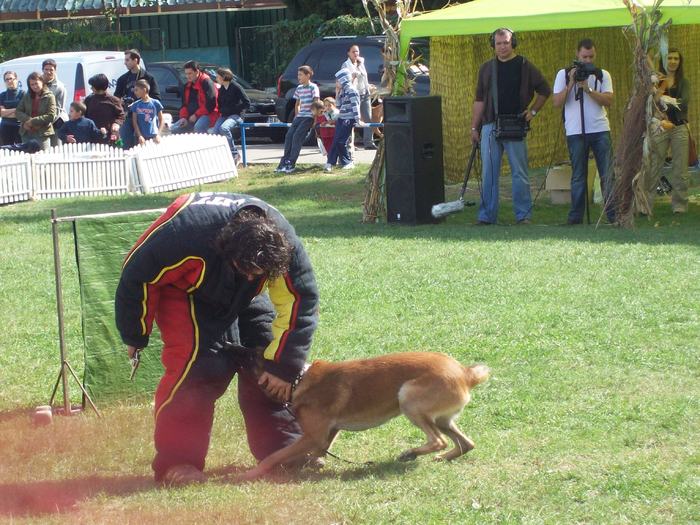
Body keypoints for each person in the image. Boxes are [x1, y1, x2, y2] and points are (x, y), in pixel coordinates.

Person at [114, 192, 319, 485]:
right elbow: (136, 275)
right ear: (228, 251)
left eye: (258, 273)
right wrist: (135, 332)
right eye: (247, 270)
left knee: (266, 362)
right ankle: (178, 462)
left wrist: (284, 366)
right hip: (184, 291)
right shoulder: (184, 234)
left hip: (242, 295)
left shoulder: (283, 242)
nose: (251, 276)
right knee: (200, 368)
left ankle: (285, 451)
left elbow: (301, 298)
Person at [470, 28, 551, 225]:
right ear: (493, 45)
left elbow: (544, 90)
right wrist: (474, 127)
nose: (503, 46)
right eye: (498, 43)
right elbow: (479, 100)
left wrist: (532, 112)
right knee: (489, 173)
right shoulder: (486, 68)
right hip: (489, 125)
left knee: (520, 173)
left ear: (513, 42)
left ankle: (523, 216)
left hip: (516, 125)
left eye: (506, 42)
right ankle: (487, 216)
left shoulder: (525, 65)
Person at [552, 38, 615, 225]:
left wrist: (587, 89)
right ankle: (575, 217)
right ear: (577, 55)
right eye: (584, 56)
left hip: (600, 129)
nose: (588, 60)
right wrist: (571, 83)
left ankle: (613, 215)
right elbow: (556, 103)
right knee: (579, 174)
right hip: (575, 131)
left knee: (607, 173)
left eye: (591, 56)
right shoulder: (563, 74)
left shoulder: (602, 74)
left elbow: (609, 101)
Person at [645, 48, 691, 214]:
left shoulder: (683, 82)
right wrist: (658, 94)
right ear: (665, 61)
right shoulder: (657, 80)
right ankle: (646, 204)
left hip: (679, 127)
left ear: (680, 62)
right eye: (669, 58)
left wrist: (663, 99)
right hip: (661, 126)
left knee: (680, 169)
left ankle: (679, 205)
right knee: (653, 165)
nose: (672, 61)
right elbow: (652, 102)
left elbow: (683, 102)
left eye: (676, 59)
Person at [275, 65, 319, 174]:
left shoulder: (313, 87)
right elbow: (297, 104)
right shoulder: (299, 88)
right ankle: (283, 162)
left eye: (300, 75)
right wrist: (297, 115)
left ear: (308, 75)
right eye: (298, 75)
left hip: (309, 116)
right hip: (299, 116)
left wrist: (315, 119)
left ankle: (291, 163)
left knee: (297, 137)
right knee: (289, 136)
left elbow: (316, 104)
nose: (298, 77)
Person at [114, 49, 161, 148]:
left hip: (145, 117)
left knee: (145, 145)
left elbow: (156, 98)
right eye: (125, 60)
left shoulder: (149, 78)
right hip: (128, 116)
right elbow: (116, 99)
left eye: (127, 60)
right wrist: (121, 101)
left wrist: (140, 102)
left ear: (136, 60)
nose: (125, 63)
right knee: (125, 145)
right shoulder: (122, 79)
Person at [325, 70, 364, 172]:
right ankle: (331, 162)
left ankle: (348, 162)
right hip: (341, 118)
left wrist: (357, 119)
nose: (336, 83)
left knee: (341, 141)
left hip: (348, 119)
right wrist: (337, 93)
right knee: (336, 141)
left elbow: (355, 105)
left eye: (337, 81)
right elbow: (338, 105)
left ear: (343, 80)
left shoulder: (352, 91)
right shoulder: (343, 91)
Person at [212, 67, 250, 165]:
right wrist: (222, 110)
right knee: (215, 131)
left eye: (217, 76)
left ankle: (234, 154)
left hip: (236, 115)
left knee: (224, 128)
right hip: (225, 115)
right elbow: (220, 104)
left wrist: (235, 109)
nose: (216, 78)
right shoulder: (222, 89)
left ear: (224, 77)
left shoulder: (236, 87)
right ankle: (224, 155)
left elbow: (247, 103)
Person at [170, 61, 219, 135]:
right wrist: (184, 117)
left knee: (198, 127)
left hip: (209, 115)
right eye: (186, 74)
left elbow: (211, 105)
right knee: (174, 129)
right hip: (191, 117)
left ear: (197, 72)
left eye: (190, 73)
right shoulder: (187, 86)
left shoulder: (207, 82)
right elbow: (184, 105)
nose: (187, 76)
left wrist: (196, 115)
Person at [341, 44, 376, 150]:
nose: (356, 54)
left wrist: (368, 86)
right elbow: (345, 81)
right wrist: (353, 75)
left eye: (357, 51)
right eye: (353, 52)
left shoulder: (361, 63)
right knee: (352, 119)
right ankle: (350, 143)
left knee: (368, 118)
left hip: (365, 94)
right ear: (348, 53)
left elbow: (364, 77)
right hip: (353, 95)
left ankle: (368, 142)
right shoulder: (345, 65)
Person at [15, 72, 57, 151]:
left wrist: (32, 121)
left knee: (43, 158)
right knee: (27, 159)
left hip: (42, 133)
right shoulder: (27, 96)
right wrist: (27, 120)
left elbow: (51, 116)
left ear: (42, 82)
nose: (34, 86)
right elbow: (18, 112)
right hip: (26, 132)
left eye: (36, 83)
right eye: (32, 84)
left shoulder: (50, 97)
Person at [84, 73, 125, 144]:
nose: (91, 88)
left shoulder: (114, 100)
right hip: (93, 136)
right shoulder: (89, 100)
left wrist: (116, 124)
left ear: (98, 87)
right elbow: (84, 115)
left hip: (111, 136)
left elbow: (121, 115)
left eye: (92, 86)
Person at [42, 59, 69, 147]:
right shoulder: (37, 83)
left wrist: (46, 122)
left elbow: (58, 109)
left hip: (56, 121)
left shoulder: (59, 87)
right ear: (42, 69)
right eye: (46, 69)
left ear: (55, 70)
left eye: (51, 70)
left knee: (56, 148)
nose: (48, 72)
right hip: (41, 122)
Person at [130, 79, 164, 145]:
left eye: (137, 90)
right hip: (140, 137)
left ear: (144, 89)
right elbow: (134, 121)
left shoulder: (155, 103)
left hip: (153, 136)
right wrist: (139, 135)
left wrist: (158, 134)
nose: (135, 92)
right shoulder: (136, 105)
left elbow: (161, 119)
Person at [0, 71, 25, 145]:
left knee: (21, 151)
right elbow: (1, 113)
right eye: (6, 79)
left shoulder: (23, 94)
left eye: (11, 78)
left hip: (19, 127)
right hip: (5, 127)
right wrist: (15, 109)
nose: (9, 81)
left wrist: (6, 112)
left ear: (16, 79)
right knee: (6, 151)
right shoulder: (2, 95)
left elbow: (22, 113)